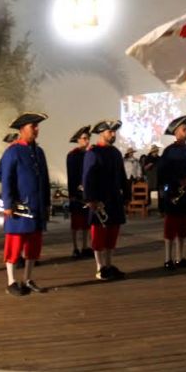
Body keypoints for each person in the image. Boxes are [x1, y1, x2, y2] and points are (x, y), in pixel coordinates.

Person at [0, 112, 51, 296]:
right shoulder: (12, 151)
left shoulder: (39, 151)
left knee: (33, 246)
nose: (36, 129)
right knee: (15, 244)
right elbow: (6, 179)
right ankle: (11, 281)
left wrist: (47, 204)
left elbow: (45, 179)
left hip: (36, 206)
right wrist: (8, 204)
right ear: (22, 129)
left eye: (37, 126)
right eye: (33, 126)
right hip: (19, 207)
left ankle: (27, 279)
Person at [83, 120, 128, 281]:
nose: (113, 134)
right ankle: (100, 267)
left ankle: (109, 265)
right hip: (99, 200)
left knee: (112, 234)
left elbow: (122, 175)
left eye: (114, 131)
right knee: (99, 236)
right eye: (110, 131)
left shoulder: (115, 152)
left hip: (114, 199)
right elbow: (87, 178)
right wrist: (91, 199)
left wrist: (127, 194)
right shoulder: (92, 153)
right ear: (102, 133)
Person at [158, 115, 186, 269]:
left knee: (183, 226)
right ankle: (168, 259)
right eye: (184, 129)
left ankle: (179, 258)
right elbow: (163, 173)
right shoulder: (169, 151)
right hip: (174, 193)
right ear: (176, 132)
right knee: (171, 225)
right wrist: (179, 181)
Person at [67, 125, 93, 259]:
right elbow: (71, 176)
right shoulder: (72, 155)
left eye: (88, 138)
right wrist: (73, 193)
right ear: (78, 140)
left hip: (88, 192)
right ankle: (75, 247)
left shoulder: (91, 153)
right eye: (84, 138)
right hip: (76, 193)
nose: (86, 141)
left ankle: (85, 246)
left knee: (86, 222)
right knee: (76, 222)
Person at [140, 144, 160, 210]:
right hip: (150, 177)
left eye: (157, 151)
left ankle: (160, 208)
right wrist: (150, 164)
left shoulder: (159, 158)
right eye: (155, 151)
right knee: (148, 191)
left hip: (157, 176)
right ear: (152, 152)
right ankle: (147, 205)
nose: (156, 152)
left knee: (159, 192)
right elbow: (144, 168)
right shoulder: (147, 158)